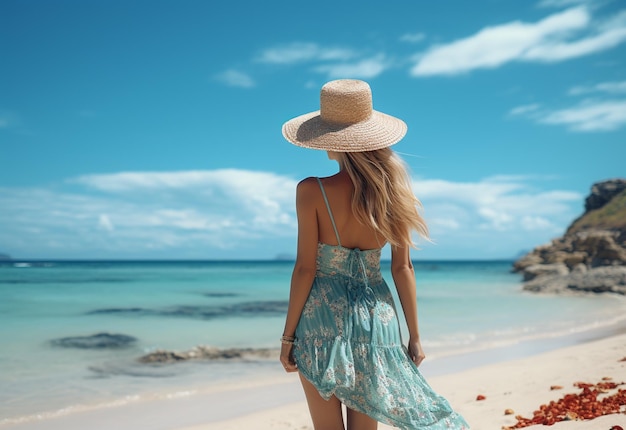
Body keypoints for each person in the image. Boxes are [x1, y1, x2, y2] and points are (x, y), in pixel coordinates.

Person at [279, 79, 469, 430]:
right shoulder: (391, 197)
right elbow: (403, 269)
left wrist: (288, 337)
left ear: (329, 140)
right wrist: (414, 336)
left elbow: (306, 269)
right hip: (376, 322)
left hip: (321, 319)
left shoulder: (311, 191)